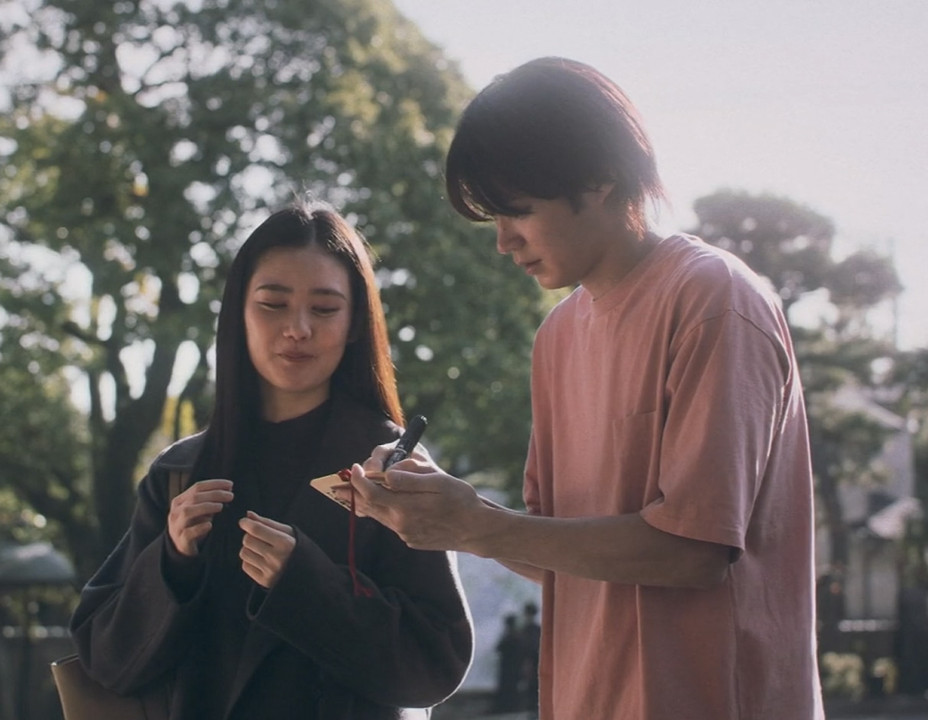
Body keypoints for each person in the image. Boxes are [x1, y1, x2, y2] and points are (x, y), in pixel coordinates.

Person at [349, 56, 823, 719]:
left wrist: (476, 524)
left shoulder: (713, 300)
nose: (503, 243)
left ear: (599, 179)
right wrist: (447, 511)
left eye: (517, 212)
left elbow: (695, 552)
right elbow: (553, 551)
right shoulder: (559, 336)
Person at [71, 200, 474, 720]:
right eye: (272, 304)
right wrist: (171, 563)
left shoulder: (391, 469)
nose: (298, 328)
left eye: (325, 308)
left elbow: (434, 662)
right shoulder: (180, 472)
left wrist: (306, 583)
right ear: (239, 312)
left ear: (355, 323)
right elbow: (105, 660)